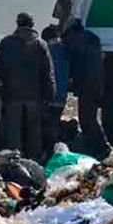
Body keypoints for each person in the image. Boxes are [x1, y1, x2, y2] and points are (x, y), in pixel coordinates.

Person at [0, 12, 54, 162]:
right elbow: (48, 72)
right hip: (35, 96)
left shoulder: (6, 43)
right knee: (34, 132)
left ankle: (15, 163)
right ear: (32, 24)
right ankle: (34, 162)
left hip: (12, 96)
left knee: (14, 132)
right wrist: (50, 94)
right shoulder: (40, 44)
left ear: (17, 24)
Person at [64, 19, 111, 159]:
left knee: (86, 119)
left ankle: (100, 148)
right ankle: (99, 146)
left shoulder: (74, 40)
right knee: (90, 117)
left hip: (86, 84)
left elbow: (74, 63)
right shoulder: (91, 38)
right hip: (98, 82)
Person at [41, 24, 69, 154]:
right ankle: (55, 149)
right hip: (62, 96)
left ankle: (49, 152)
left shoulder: (47, 52)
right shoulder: (65, 50)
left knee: (47, 128)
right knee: (54, 124)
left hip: (49, 96)